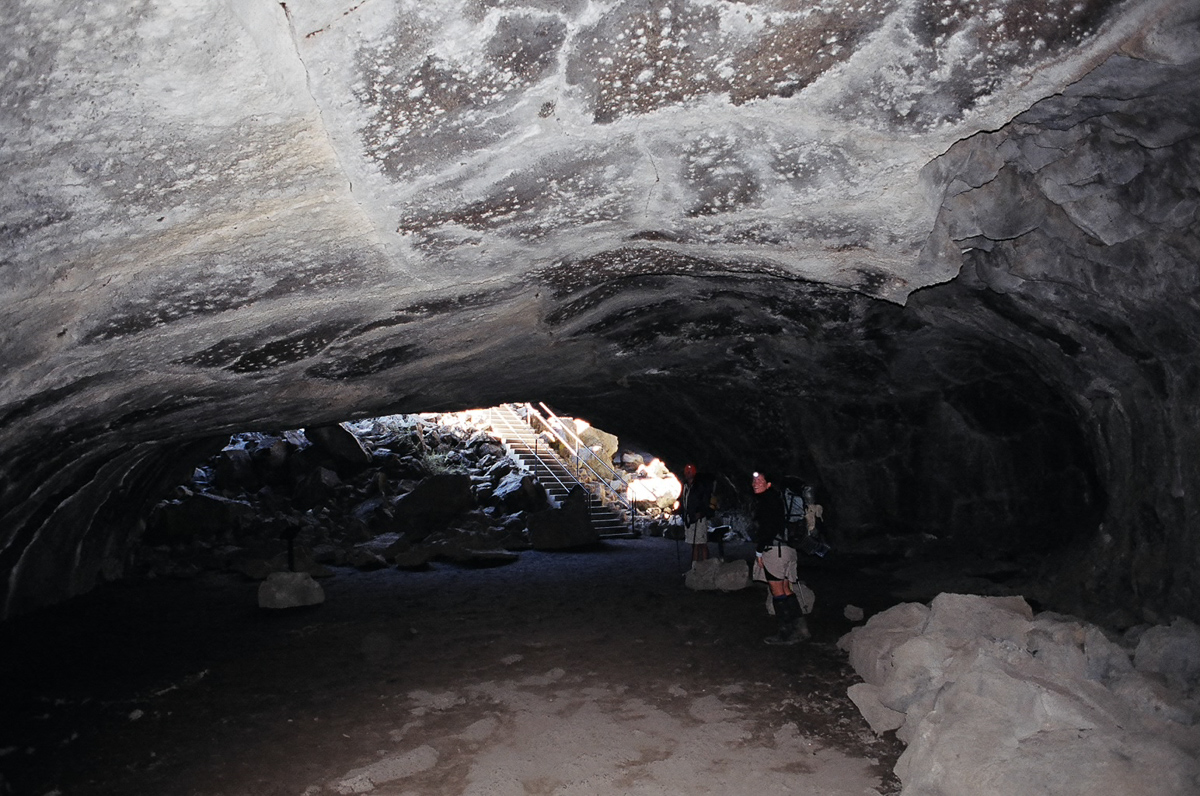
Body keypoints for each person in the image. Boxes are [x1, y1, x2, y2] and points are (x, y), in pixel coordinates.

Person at [750, 472, 811, 645]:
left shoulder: (767, 502)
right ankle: (801, 629)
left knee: (777, 592)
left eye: (760, 480)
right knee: (786, 589)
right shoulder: (779, 499)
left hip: (775, 550)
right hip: (788, 548)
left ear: (768, 484)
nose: (756, 483)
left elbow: (768, 529)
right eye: (754, 480)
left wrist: (760, 551)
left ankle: (785, 634)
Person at [677, 463, 715, 564]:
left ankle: (705, 566)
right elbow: (684, 500)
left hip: (699, 519)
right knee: (693, 543)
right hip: (689, 518)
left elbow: (705, 501)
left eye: (690, 471)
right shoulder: (685, 485)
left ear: (694, 473)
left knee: (701, 543)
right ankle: (695, 567)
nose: (688, 473)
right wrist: (680, 510)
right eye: (686, 472)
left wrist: (701, 513)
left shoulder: (700, 486)